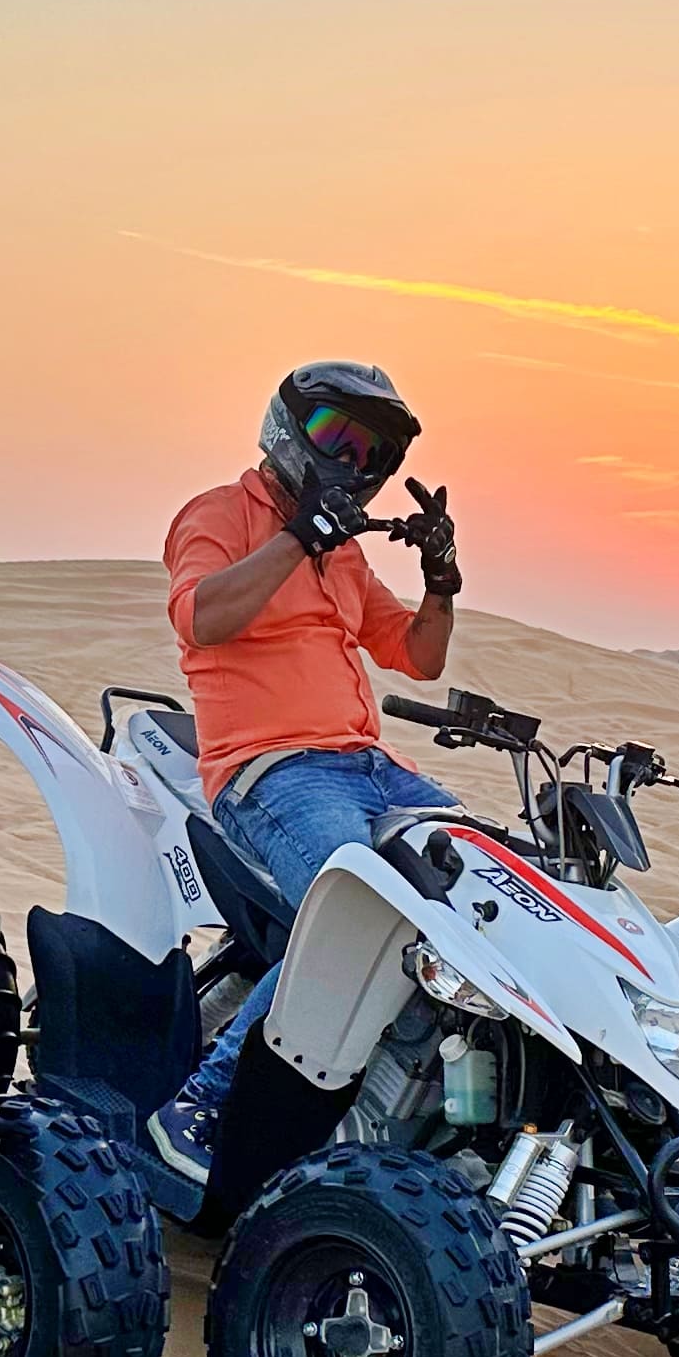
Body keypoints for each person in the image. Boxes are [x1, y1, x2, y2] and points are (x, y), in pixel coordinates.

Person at [141, 362, 465, 1186]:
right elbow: (201, 618)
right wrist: (298, 538)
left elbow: (418, 658)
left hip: (376, 769)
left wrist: (439, 581)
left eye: (369, 451)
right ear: (287, 429)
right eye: (336, 438)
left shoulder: (347, 556)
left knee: (490, 899)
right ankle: (205, 1106)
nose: (352, 461)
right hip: (274, 771)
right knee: (354, 915)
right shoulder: (217, 515)